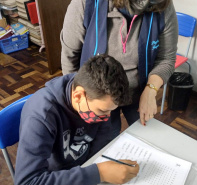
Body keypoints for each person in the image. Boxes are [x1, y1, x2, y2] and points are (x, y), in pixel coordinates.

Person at [14, 55, 139, 185]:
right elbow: (27, 181)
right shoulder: (41, 116)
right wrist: (99, 173)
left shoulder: (95, 93)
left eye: (111, 110)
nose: (107, 117)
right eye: (102, 111)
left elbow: (102, 142)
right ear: (78, 96)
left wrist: (102, 168)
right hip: (57, 176)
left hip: (85, 168)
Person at [61, 0, 178, 138]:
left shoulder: (163, 6)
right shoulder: (85, 4)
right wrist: (79, 101)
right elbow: (70, 57)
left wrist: (151, 89)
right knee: (105, 139)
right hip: (99, 97)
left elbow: (166, 59)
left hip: (140, 92)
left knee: (147, 138)